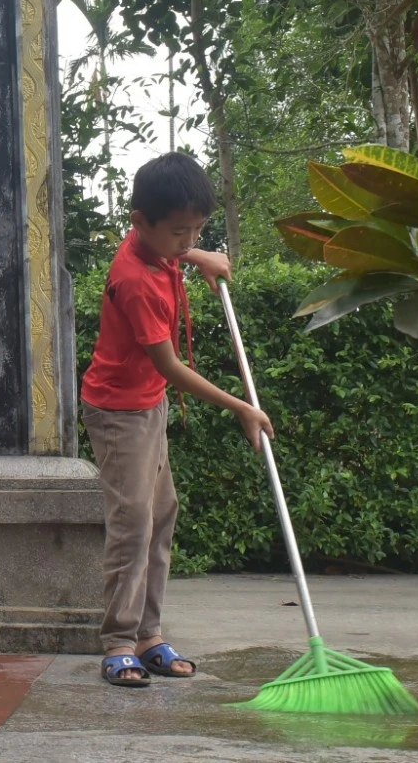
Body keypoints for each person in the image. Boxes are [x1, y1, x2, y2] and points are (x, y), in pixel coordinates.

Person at [82, 152, 274, 688]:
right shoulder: (136, 281)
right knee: (133, 524)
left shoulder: (158, 246)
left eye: (198, 229)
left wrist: (197, 255)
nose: (188, 240)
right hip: (120, 414)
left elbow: (168, 251)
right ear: (139, 222)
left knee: (162, 514)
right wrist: (240, 406)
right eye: (180, 232)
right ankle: (119, 642)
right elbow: (169, 365)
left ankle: (150, 635)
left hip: (148, 405)